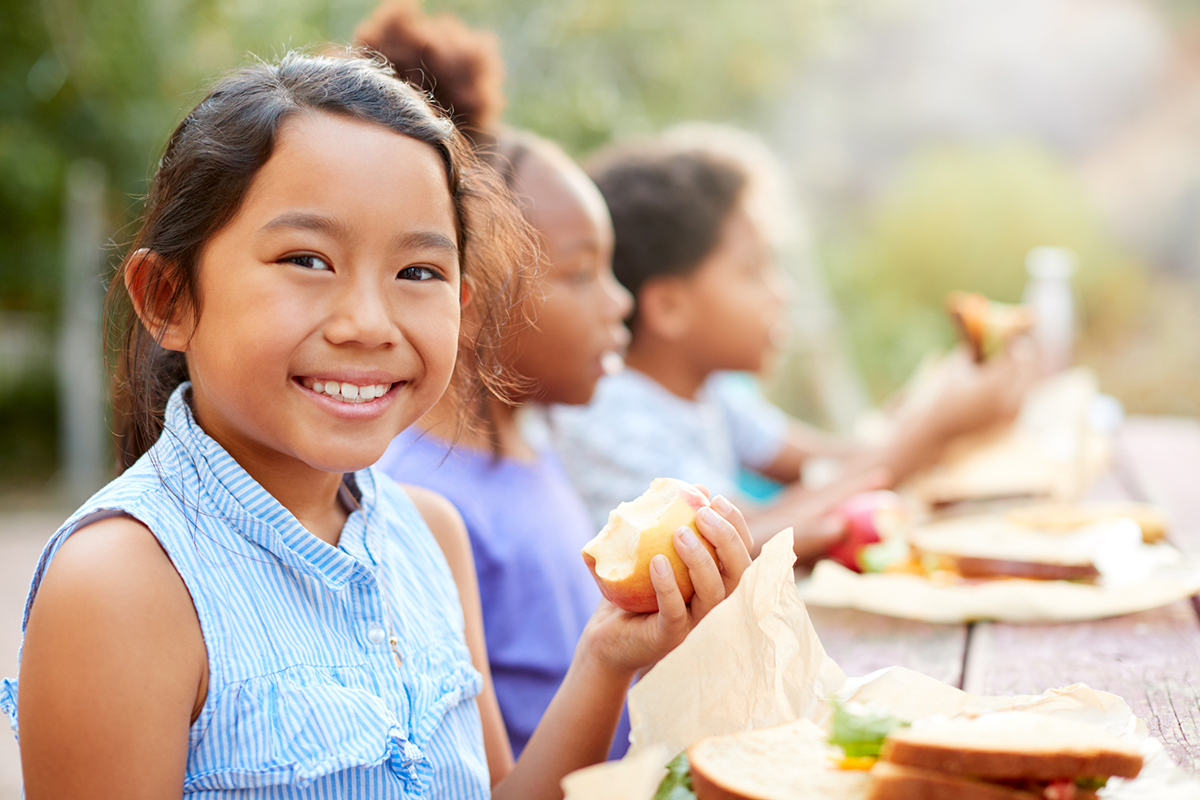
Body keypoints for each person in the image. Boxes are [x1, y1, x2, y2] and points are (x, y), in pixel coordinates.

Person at [0, 53, 753, 799]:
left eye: (418, 272)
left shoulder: (431, 534)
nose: (369, 323)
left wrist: (607, 657)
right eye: (306, 259)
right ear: (169, 297)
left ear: (461, 299)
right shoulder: (122, 586)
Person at [356, 1, 639, 759]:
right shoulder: (426, 500)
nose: (621, 303)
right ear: (472, 301)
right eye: (581, 274)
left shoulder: (531, 444)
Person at [552, 142, 1036, 561]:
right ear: (670, 307)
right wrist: (937, 424)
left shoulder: (711, 390)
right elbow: (750, 538)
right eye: (753, 270)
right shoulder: (612, 414)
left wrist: (938, 406)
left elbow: (839, 460)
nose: (780, 293)